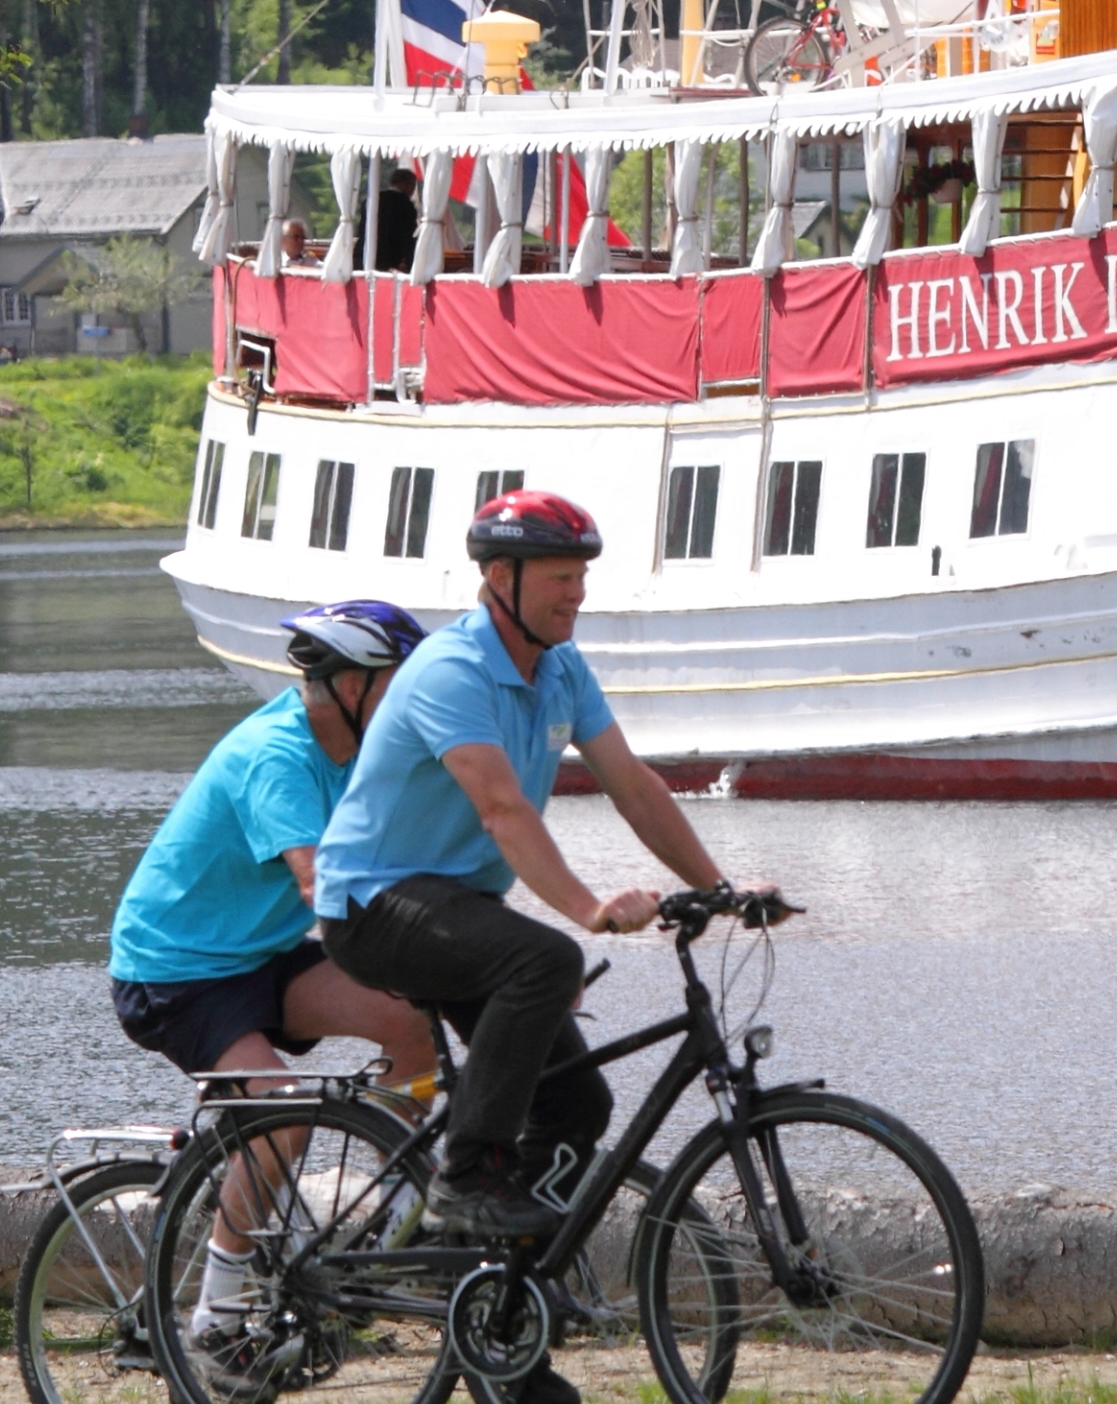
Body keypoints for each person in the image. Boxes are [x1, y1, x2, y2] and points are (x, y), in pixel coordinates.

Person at [313, 490, 763, 1250]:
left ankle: (489, 1307)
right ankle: (465, 1178)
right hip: (372, 902)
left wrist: (722, 888)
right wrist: (588, 910)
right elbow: (502, 810)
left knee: (576, 1106)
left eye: (581, 576)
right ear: (499, 577)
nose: (577, 593)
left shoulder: (561, 670)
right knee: (546, 958)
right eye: (559, 577)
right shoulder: (450, 672)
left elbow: (634, 786)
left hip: (455, 905)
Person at [109, 599, 445, 1089]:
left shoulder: (361, 748)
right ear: (354, 687)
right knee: (283, 1117)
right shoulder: (276, 756)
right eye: (405, 685)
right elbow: (318, 885)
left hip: (264, 955)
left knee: (412, 1021)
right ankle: (243, 1153)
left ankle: (396, 1165)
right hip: (176, 971)